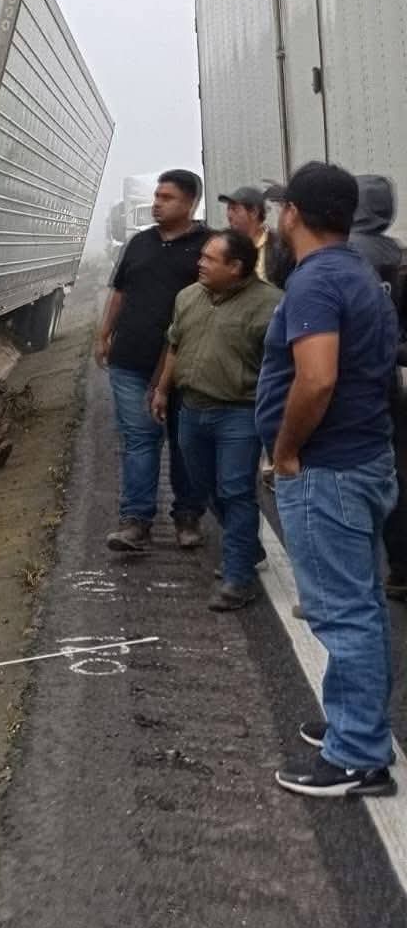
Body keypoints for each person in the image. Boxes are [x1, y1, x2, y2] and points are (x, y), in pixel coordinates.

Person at [257, 161, 400, 798]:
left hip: (327, 470)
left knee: (344, 615)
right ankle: (352, 721)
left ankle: (357, 757)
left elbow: (316, 379)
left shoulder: (315, 283)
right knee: (361, 606)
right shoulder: (359, 272)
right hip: (364, 458)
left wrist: (285, 451)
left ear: (292, 214)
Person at [149, 230, 280, 610]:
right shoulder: (188, 297)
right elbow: (175, 345)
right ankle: (248, 547)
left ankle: (238, 579)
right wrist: (161, 389)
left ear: (236, 266)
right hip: (191, 410)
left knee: (235, 490)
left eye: (210, 258)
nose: (200, 263)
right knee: (206, 488)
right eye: (202, 256)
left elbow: (281, 367)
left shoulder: (270, 306)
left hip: (239, 413)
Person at [98, 169, 212, 552]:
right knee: (140, 439)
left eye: (168, 198)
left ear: (191, 202)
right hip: (130, 360)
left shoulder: (209, 247)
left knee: (186, 443)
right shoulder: (139, 243)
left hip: (187, 365)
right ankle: (136, 521)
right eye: (157, 196)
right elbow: (120, 292)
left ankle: (187, 516)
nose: (157, 203)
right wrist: (104, 334)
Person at [348, 174, 407, 600]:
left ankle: (350, 584)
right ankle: (401, 567)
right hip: (391, 384)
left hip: (351, 387)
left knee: (347, 484)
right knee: (396, 474)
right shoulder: (398, 255)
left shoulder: (343, 255)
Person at [218, 185, 278, 283]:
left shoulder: (279, 244)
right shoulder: (225, 243)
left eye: (234, 209)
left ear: (254, 212)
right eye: (228, 209)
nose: (229, 215)